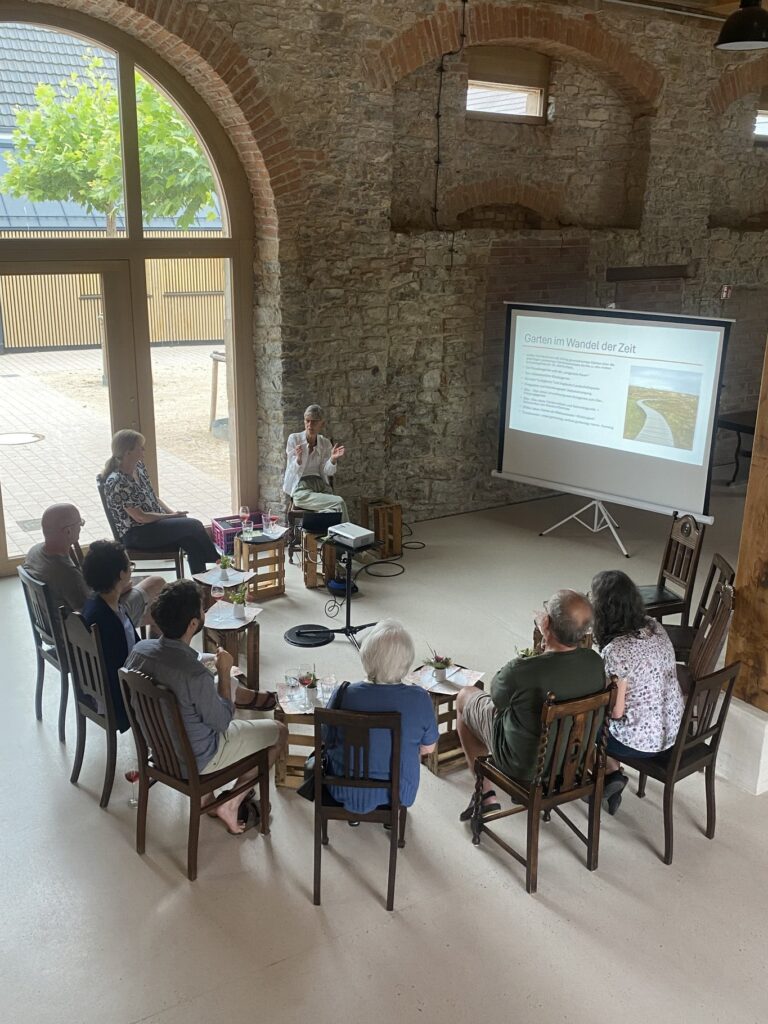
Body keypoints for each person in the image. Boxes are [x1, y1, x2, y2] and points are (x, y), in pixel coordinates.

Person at [124, 579, 287, 834]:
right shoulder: (194, 676)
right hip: (199, 758)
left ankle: (208, 800)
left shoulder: (139, 651)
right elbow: (222, 722)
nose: (204, 613)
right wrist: (224, 672)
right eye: (202, 609)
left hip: (160, 750)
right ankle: (231, 804)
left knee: (195, 716)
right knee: (279, 731)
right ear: (193, 623)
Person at [455, 590, 605, 822]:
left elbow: (498, 701)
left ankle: (485, 794)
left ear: (547, 623)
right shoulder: (595, 662)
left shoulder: (522, 670)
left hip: (523, 767)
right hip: (574, 763)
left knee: (465, 697)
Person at [591, 570, 685, 815]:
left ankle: (610, 772)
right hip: (673, 731)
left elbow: (616, 712)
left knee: (582, 722)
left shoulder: (617, 651)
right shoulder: (654, 625)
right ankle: (611, 775)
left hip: (641, 743)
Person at [323, 619, 438, 816]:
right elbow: (429, 748)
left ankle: (355, 810)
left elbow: (326, 737)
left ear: (367, 656)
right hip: (398, 791)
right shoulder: (420, 699)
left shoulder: (343, 693)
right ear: (406, 661)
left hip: (342, 787)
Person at [23, 502, 164, 644]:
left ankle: (150, 646)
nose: (81, 528)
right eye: (80, 523)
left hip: (55, 627)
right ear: (68, 531)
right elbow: (93, 609)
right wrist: (120, 588)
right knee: (157, 586)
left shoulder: (34, 552)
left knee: (155, 608)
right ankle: (156, 649)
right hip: (82, 636)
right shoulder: (66, 573)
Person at [101, 429, 217, 575]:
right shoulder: (118, 481)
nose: (144, 450)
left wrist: (174, 514)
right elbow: (140, 517)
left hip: (153, 524)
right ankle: (217, 561)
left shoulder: (139, 467)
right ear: (128, 452)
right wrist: (171, 517)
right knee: (194, 525)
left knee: (190, 538)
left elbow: (153, 496)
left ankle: (202, 580)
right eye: (140, 447)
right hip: (137, 533)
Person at [81, 540, 140, 733]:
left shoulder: (94, 603)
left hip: (97, 690)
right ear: (121, 574)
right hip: (117, 699)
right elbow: (125, 667)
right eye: (129, 566)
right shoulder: (106, 621)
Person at [283, 404, 349, 521]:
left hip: (321, 486)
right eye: (307, 421)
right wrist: (298, 459)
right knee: (338, 503)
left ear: (322, 424)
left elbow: (328, 472)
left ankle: (317, 532)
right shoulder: (294, 439)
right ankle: (345, 532)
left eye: (314, 421)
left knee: (331, 511)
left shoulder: (325, 443)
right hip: (301, 488)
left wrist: (333, 459)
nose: (310, 425)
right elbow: (291, 471)